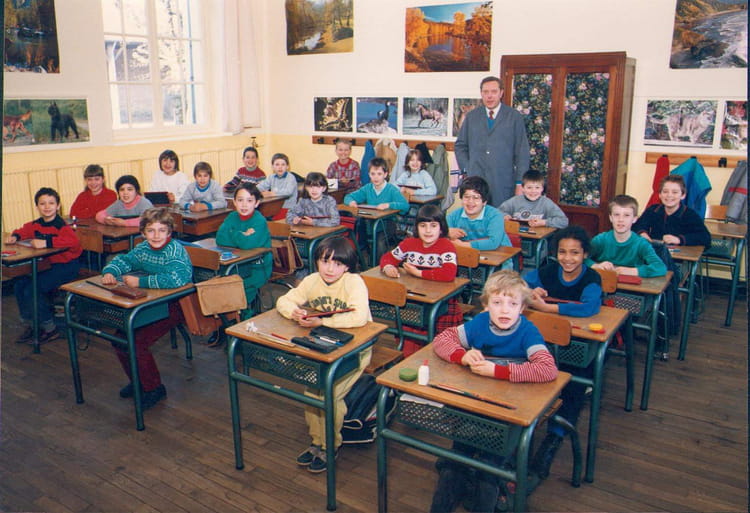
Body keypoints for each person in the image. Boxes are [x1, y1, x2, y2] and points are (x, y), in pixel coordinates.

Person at [430, 269, 557, 513]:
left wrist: (498, 371)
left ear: (522, 308)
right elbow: (442, 340)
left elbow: (547, 369)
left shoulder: (527, 331)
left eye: (512, 304)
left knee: (489, 467)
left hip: (508, 411)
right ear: (486, 305)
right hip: (476, 405)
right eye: (497, 303)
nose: (505, 310)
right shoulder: (480, 323)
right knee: (455, 462)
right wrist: (462, 355)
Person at [276, 237, 371, 474]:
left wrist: (323, 321)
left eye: (337, 264)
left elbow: (359, 317)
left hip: (356, 348)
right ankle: (317, 441)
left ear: (347, 266)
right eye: (324, 261)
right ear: (316, 261)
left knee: (330, 394)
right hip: (325, 346)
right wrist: (294, 312)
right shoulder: (312, 280)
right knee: (311, 392)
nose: (330, 269)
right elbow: (284, 300)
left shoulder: (354, 282)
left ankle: (330, 445)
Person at [524, 226, 602, 478]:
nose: (568, 258)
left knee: (573, 386)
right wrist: (530, 291)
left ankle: (554, 438)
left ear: (585, 254)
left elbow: (589, 307)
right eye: (562, 252)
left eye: (575, 253)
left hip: (576, 348)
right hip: (543, 345)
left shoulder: (591, 278)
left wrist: (548, 309)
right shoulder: (548, 271)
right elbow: (520, 283)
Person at [101, 207, 193, 410]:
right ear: (143, 232)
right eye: (151, 230)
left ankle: (154, 388)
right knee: (120, 339)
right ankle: (138, 381)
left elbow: (178, 279)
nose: (156, 235)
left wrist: (140, 282)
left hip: (176, 304)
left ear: (169, 232)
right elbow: (125, 260)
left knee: (137, 341)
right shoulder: (143, 248)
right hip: (151, 302)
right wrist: (110, 271)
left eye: (162, 230)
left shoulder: (175, 250)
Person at [380, 204, 461, 356]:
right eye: (423, 226)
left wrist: (418, 273)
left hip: (440, 303)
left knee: (438, 342)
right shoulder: (409, 243)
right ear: (417, 227)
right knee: (408, 328)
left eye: (433, 226)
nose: (428, 231)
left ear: (441, 228)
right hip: (415, 300)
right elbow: (387, 257)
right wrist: (388, 267)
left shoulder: (446, 246)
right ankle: (409, 358)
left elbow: (449, 273)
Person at [5, 187, 83, 343]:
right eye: (42, 204)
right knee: (19, 285)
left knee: (32, 289)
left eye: (51, 203)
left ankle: (50, 328)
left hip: (66, 266)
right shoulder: (36, 224)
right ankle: (32, 324)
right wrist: (15, 236)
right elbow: (24, 230)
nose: (47, 207)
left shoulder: (62, 226)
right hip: (47, 266)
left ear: (58, 206)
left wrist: (46, 242)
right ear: (37, 206)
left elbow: (73, 241)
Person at [454, 76, 530, 208]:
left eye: (494, 92)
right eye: (486, 92)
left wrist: (520, 183)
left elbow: (522, 152)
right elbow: (460, 146)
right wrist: (468, 169)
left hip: (503, 183)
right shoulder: (472, 116)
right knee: (476, 217)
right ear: (481, 93)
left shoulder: (513, 117)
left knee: (500, 217)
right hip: (476, 182)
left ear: (501, 93)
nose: (489, 96)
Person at [216, 183, 272, 319]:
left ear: (257, 203)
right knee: (219, 287)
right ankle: (227, 320)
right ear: (234, 202)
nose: (244, 205)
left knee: (238, 290)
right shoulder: (232, 217)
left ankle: (243, 318)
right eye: (240, 200)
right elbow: (220, 238)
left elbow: (247, 244)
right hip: (236, 264)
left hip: (257, 268)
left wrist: (232, 232)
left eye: (249, 200)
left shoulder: (259, 221)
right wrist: (242, 234)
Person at [344, 158, 409, 258]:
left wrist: (389, 205)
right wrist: (351, 202)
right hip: (370, 222)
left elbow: (405, 206)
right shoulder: (368, 188)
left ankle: (380, 263)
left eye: (379, 174)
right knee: (355, 232)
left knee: (379, 242)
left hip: (387, 223)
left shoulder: (391, 189)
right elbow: (348, 197)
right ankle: (362, 261)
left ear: (385, 174)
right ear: (369, 174)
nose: (376, 177)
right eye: (373, 174)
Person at [588, 195, 667, 277]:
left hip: (631, 284)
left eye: (626, 215)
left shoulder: (641, 243)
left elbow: (660, 267)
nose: (621, 220)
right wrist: (596, 266)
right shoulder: (600, 240)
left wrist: (631, 271)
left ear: (634, 219)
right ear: (610, 218)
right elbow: (582, 258)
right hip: (604, 282)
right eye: (616, 215)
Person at [632, 174, 711, 248]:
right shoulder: (653, 210)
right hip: (654, 252)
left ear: (683, 195)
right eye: (665, 192)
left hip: (679, 255)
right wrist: (642, 233)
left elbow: (705, 237)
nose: (669, 195)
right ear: (660, 195)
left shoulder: (690, 215)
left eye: (675, 192)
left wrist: (679, 239)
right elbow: (637, 225)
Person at [447, 175, 511, 252]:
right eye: (466, 197)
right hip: (469, 255)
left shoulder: (494, 215)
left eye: (476, 198)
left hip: (499, 254)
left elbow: (493, 242)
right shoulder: (453, 216)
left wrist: (463, 245)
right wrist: (447, 233)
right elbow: (441, 237)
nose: (470, 201)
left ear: (484, 202)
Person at [499, 169, 569, 228]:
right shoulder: (515, 201)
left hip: (538, 238)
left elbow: (564, 221)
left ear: (542, 189)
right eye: (529, 187)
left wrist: (544, 222)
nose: (533, 191)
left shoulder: (546, 203)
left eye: (537, 187)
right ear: (522, 188)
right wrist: (505, 216)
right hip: (517, 236)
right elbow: (498, 212)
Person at [257, 152, 299, 218]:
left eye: (283, 164)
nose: (280, 167)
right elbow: (261, 186)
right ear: (272, 167)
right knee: (259, 215)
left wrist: (273, 193)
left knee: (272, 219)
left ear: (287, 167)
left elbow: (289, 191)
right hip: (274, 207)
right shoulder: (271, 177)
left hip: (288, 208)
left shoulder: (291, 177)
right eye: (277, 164)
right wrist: (254, 191)